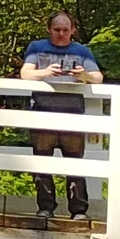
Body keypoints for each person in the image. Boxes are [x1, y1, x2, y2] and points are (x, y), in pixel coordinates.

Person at [20, 11, 104, 220]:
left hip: (73, 114)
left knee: (75, 164)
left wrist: (81, 75)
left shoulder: (82, 51)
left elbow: (98, 78)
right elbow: (26, 74)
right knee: (42, 163)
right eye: (57, 29)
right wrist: (47, 72)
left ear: (73, 30)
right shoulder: (36, 48)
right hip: (42, 112)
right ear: (49, 29)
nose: (61, 34)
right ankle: (46, 208)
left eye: (65, 30)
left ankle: (78, 210)